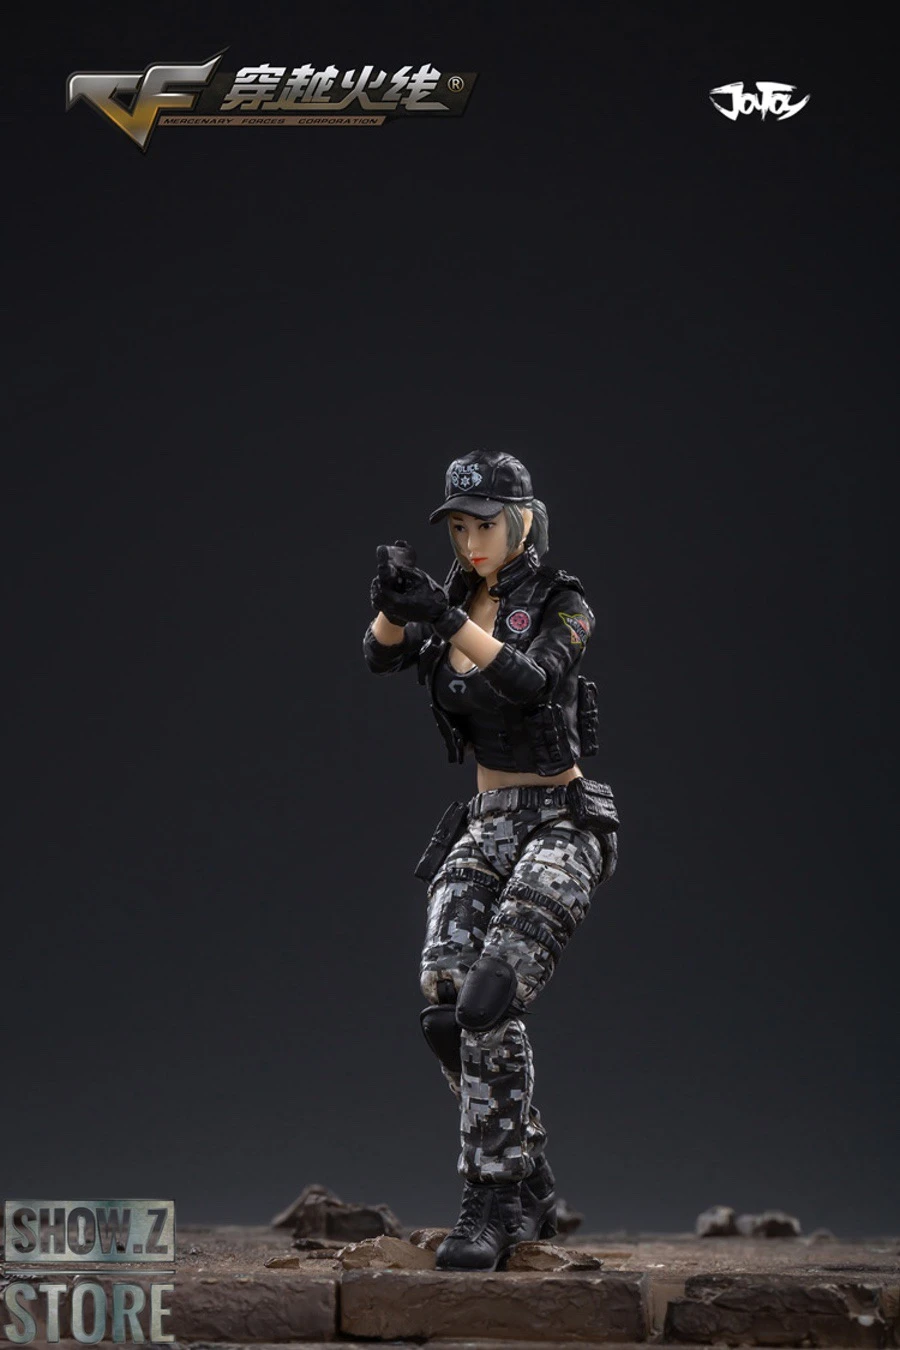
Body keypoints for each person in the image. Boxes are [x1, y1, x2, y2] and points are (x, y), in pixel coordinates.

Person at [362, 449, 618, 1271]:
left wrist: (445, 619)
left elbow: (532, 681)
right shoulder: (454, 596)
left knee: (489, 1000)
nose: (471, 541)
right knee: (445, 1007)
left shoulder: (564, 602)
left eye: (485, 524)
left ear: (522, 521)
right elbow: (379, 655)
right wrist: (395, 605)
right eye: (459, 527)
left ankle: (494, 1199)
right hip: (487, 820)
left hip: (562, 822)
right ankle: (531, 1175)